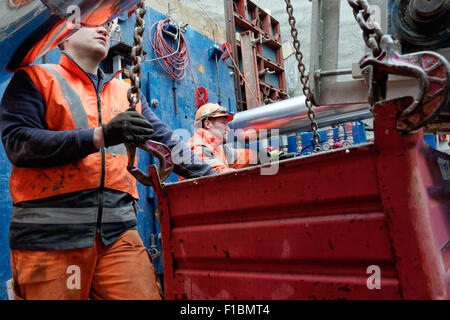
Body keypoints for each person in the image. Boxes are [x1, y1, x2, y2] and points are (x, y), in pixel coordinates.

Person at [0, 24, 217, 300]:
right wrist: (100, 136)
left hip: (117, 236)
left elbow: (170, 145)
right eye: (89, 23)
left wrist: (216, 175)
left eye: (105, 23)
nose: (102, 28)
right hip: (52, 238)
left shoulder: (127, 94)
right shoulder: (35, 79)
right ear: (62, 40)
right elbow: (20, 144)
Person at [186, 103, 255, 174]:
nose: (228, 129)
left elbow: (244, 156)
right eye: (223, 123)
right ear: (207, 124)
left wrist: (265, 154)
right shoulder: (197, 147)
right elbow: (216, 173)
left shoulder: (218, 148)